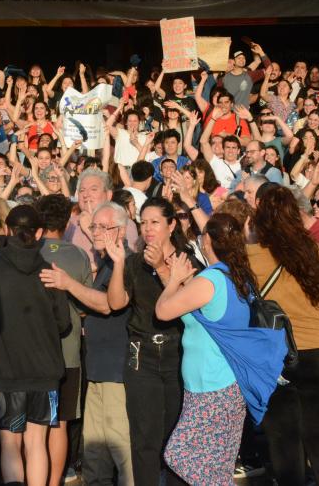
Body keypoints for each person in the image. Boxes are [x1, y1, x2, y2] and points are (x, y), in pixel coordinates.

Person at [248, 187, 319, 486]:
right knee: (318, 430)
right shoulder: (312, 248)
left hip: (284, 356)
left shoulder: (253, 255)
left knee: (284, 439)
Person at [0, 206, 71, 486]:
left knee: (10, 442)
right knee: (36, 442)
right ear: (39, 233)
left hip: (5, 368)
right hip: (45, 369)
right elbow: (63, 323)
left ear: (7, 230)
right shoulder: (50, 272)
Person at [107, 197, 201, 486]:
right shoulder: (135, 262)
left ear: (171, 225)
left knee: (176, 437)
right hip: (141, 355)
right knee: (144, 438)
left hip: (178, 355)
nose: (147, 229)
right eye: (143, 222)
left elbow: (191, 305)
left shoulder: (188, 261)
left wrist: (162, 267)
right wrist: (119, 263)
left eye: (155, 222)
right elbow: (116, 302)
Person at [155, 213, 255, 485]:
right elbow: (199, 311)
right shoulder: (237, 276)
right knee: (218, 465)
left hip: (211, 387)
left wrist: (175, 278)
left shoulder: (210, 280)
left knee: (179, 456)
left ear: (208, 241)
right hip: (227, 385)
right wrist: (181, 280)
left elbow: (163, 310)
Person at [41, 202, 134, 485]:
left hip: (116, 371)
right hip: (97, 369)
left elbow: (109, 305)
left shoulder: (127, 264)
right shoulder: (105, 263)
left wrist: (68, 284)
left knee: (121, 449)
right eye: (94, 226)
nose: (96, 232)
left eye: (104, 227)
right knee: (95, 454)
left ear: (121, 230)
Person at [35, 195, 93, 486]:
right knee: (59, 423)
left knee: (34, 425)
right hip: (68, 350)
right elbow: (86, 305)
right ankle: (54, 480)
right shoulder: (80, 255)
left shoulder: (28, 252)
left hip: (32, 352)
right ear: (66, 221)